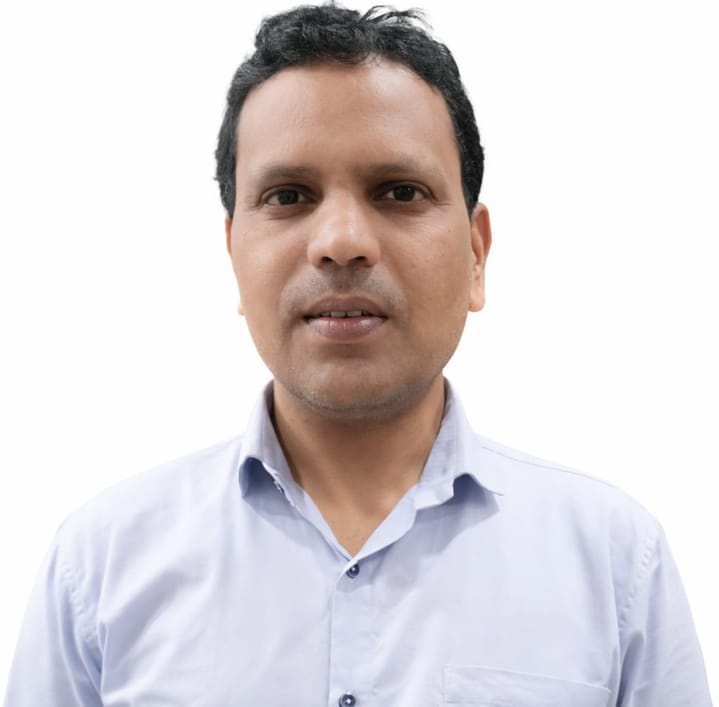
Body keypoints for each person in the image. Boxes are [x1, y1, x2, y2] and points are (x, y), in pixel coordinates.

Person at [3, 5, 712, 706]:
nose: (341, 241)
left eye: (399, 192)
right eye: (288, 195)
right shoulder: (99, 567)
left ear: (475, 253)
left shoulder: (615, 562)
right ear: (233, 254)